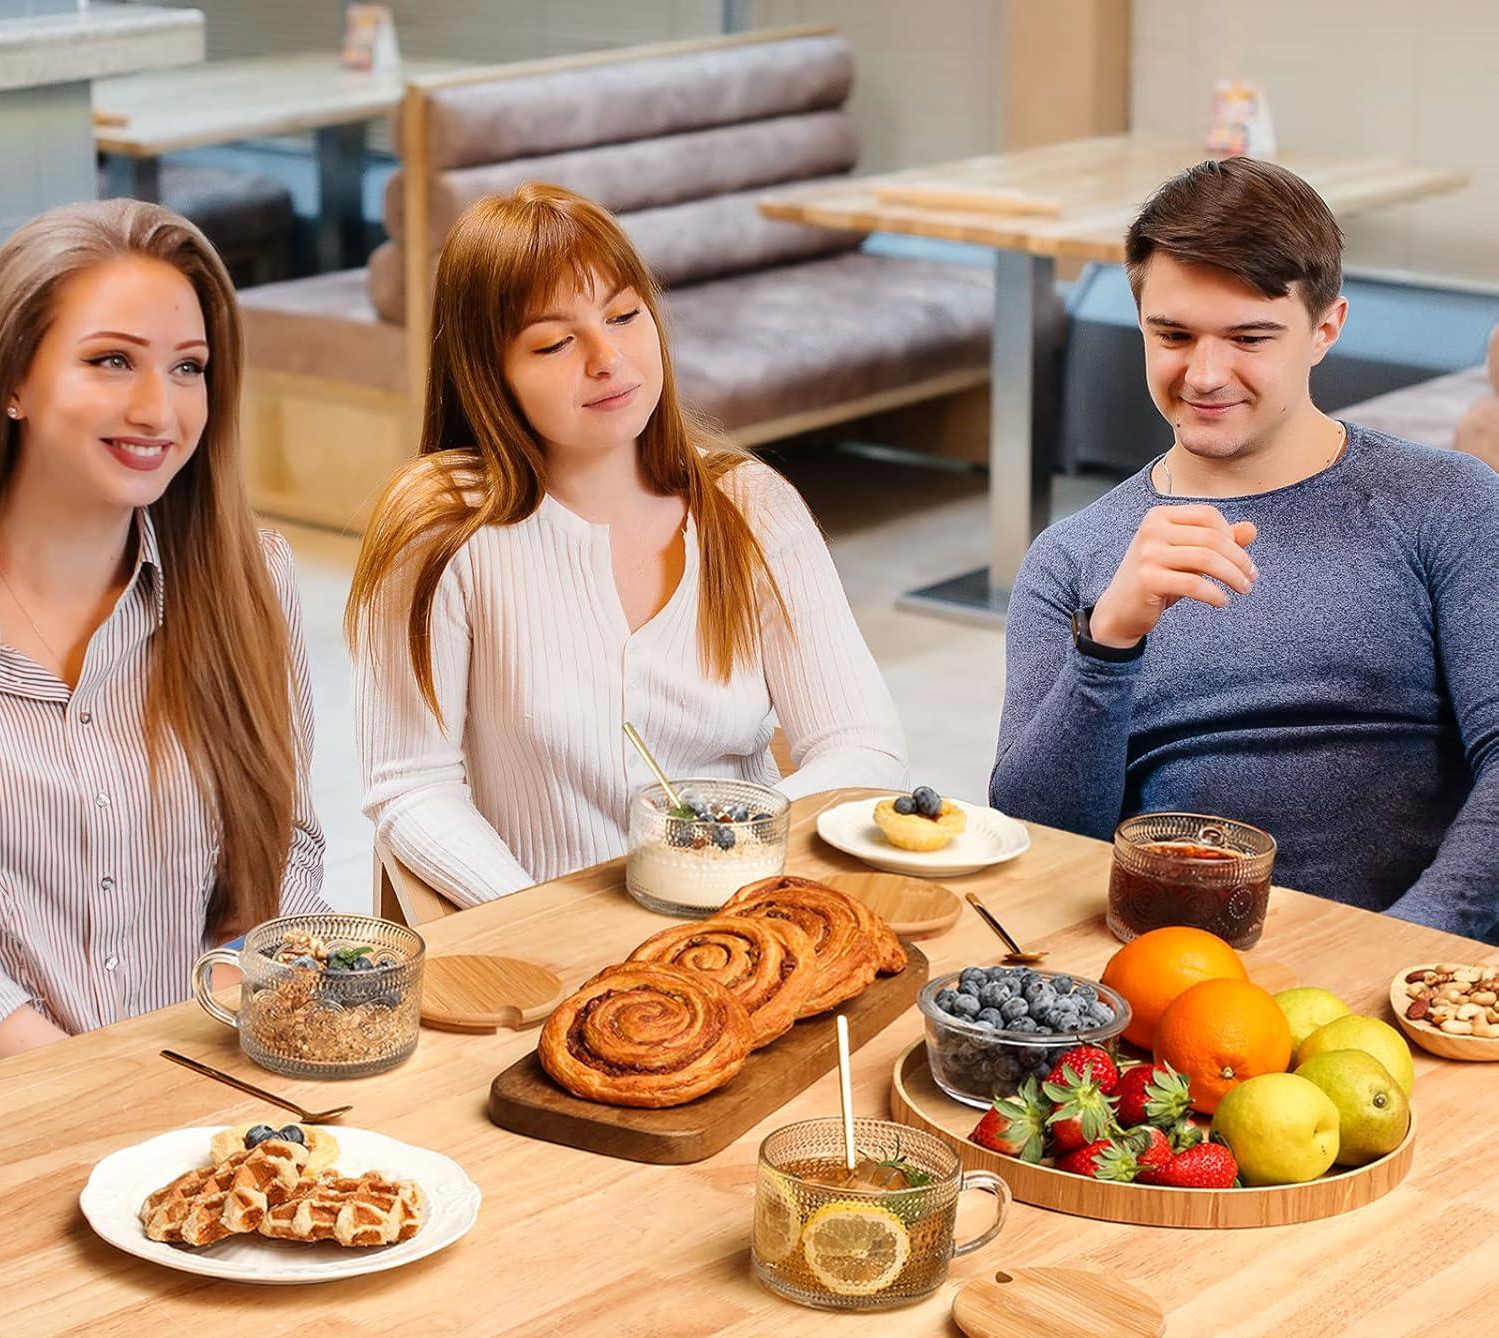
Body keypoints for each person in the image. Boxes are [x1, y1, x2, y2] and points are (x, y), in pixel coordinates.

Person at [347, 183, 906, 905]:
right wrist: (543, 923)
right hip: (542, 945)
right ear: (487, 374)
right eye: (554, 341)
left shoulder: (748, 507)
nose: (608, 356)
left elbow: (864, 747)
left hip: (744, 914)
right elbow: (410, 786)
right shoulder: (441, 529)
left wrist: (725, 852)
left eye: (624, 314)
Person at [990, 157, 1499, 941]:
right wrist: (1108, 642)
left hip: (1409, 966)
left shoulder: (1447, 504)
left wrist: (1400, 948)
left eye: (1249, 337)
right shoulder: (1074, 557)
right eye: (1173, 334)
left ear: (1325, 329)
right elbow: (1040, 839)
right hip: (1170, 966)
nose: (1205, 373)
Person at [0, 200, 326, 1056]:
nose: (159, 409)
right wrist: (71, 1075)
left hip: (201, 1091)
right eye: (112, 360)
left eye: (189, 368)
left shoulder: (251, 582)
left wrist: (216, 1006)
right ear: (14, 382)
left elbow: (286, 846)